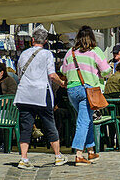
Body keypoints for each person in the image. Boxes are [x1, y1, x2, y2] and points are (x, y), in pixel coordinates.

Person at [13, 27, 66, 169]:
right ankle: (57, 155)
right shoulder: (47, 54)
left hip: (24, 94)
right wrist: (61, 83)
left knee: (26, 126)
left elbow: (19, 74)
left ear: (32, 40)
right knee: (49, 123)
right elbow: (51, 74)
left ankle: (23, 158)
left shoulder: (23, 54)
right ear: (46, 41)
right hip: (41, 93)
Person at [61, 25, 111, 166]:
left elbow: (63, 70)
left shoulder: (70, 52)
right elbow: (106, 70)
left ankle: (90, 151)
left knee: (86, 118)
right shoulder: (95, 51)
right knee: (83, 122)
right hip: (87, 89)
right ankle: (78, 154)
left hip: (71, 90)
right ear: (92, 38)